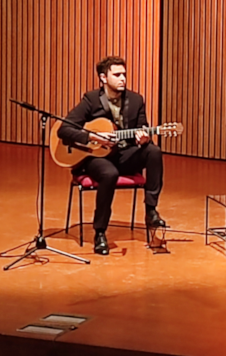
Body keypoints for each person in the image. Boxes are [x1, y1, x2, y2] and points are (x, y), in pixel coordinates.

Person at [57, 56, 165, 256]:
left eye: (124, 74)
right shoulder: (90, 99)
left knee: (154, 152)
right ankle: (100, 232)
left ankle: (151, 211)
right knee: (109, 174)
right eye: (117, 75)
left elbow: (141, 130)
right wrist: (91, 136)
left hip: (123, 154)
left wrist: (143, 140)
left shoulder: (136, 100)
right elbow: (63, 130)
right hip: (95, 158)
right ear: (103, 78)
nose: (123, 78)